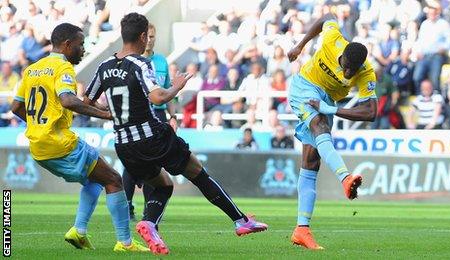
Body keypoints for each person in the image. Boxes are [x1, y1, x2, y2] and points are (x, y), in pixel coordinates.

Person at [83, 13, 267, 255]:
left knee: (163, 185)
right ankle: (241, 221)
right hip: (152, 136)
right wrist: (176, 86)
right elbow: (157, 97)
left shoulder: (104, 66)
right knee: (198, 173)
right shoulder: (141, 63)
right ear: (141, 36)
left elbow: (87, 100)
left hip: (124, 144)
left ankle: (149, 224)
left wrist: (110, 114)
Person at [10, 23, 148, 252]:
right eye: (80, 44)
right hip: (60, 143)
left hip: (38, 147)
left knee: (96, 179)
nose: (83, 49)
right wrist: (105, 113)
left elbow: (16, 107)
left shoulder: (32, 69)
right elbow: (68, 100)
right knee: (114, 179)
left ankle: (79, 231)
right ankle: (125, 243)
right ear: (67, 45)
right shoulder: (63, 68)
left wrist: (39, 125)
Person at [287, 14, 377, 250]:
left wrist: (333, 109)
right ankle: (345, 178)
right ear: (342, 55)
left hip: (326, 101)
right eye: (345, 67)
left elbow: (371, 112)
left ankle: (301, 230)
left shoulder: (366, 73)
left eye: (352, 71)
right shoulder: (331, 39)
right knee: (320, 126)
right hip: (305, 87)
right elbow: (328, 17)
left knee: (311, 162)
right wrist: (300, 45)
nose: (348, 74)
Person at [121, 23, 177, 221]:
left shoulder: (161, 61)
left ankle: (149, 209)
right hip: (137, 116)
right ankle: (126, 206)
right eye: (148, 36)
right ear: (141, 37)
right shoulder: (131, 62)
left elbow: (169, 90)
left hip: (158, 116)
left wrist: (173, 117)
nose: (150, 40)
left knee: (155, 164)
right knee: (131, 163)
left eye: (153, 36)